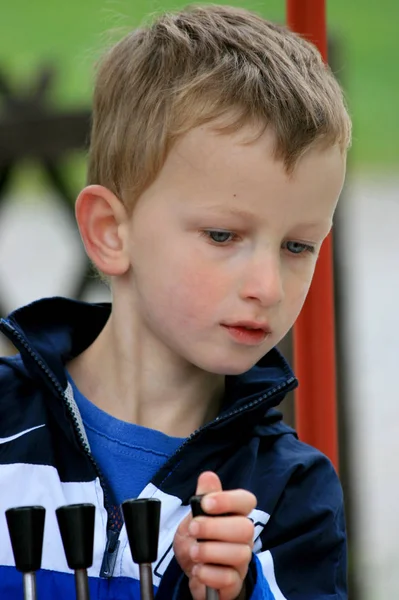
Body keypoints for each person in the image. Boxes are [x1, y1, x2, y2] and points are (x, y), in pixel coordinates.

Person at [0, 4, 352, 600]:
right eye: (223, 236)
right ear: (112, 231)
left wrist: (238, 592)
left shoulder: (289, 492)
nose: (267, 285)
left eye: (298, 245)